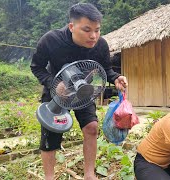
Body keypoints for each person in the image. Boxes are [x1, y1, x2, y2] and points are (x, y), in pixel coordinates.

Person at [30, 3, 127, 180]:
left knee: (91, 127)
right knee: (51, 134)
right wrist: (53, 83)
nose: (94, 36)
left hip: (83, 91)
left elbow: (106, 69)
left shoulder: (100, 45)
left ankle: (89, 175)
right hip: (57, 94)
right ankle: (49, 177)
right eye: (87, 30)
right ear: (72, 27)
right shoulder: (51, 40)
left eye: (97, 30)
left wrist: (116, 78)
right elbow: (36, 67)